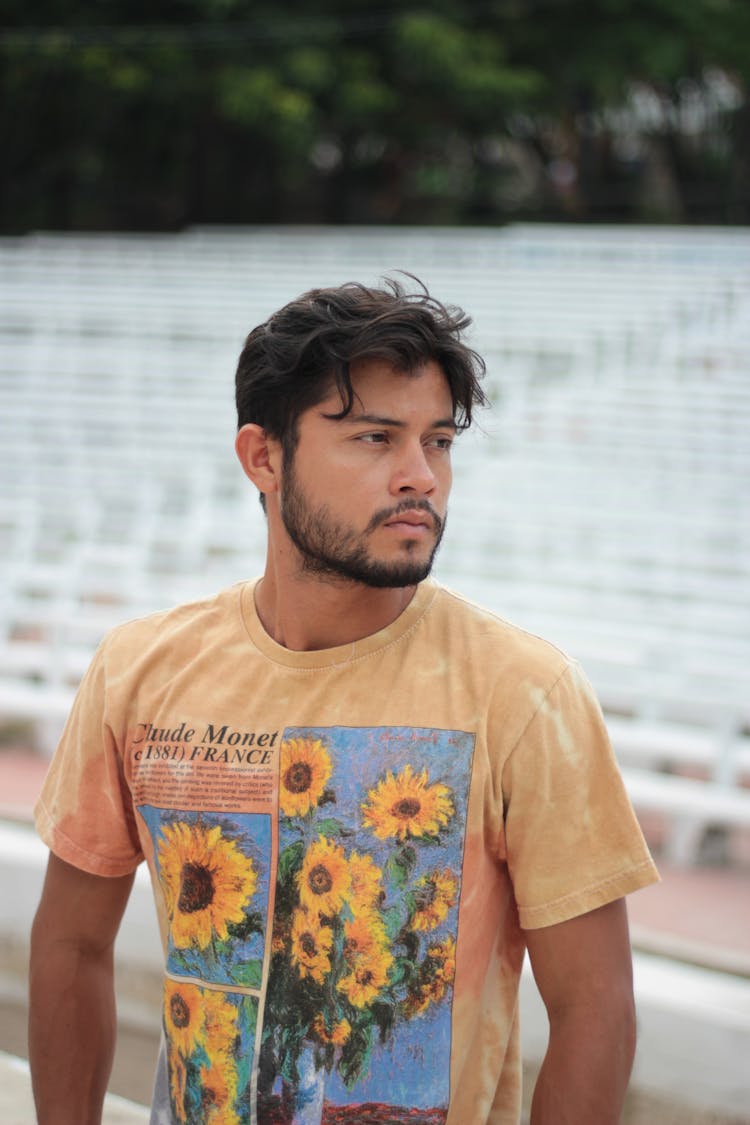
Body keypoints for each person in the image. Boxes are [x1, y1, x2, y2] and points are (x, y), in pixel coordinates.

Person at [29, 277, 658, 1125]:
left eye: (437, 442)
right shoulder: (141, 670)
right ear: (263, 456)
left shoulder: (525, 693)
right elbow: (70, 944)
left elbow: (596, 1009)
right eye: (375, 437)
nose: (420, 476)